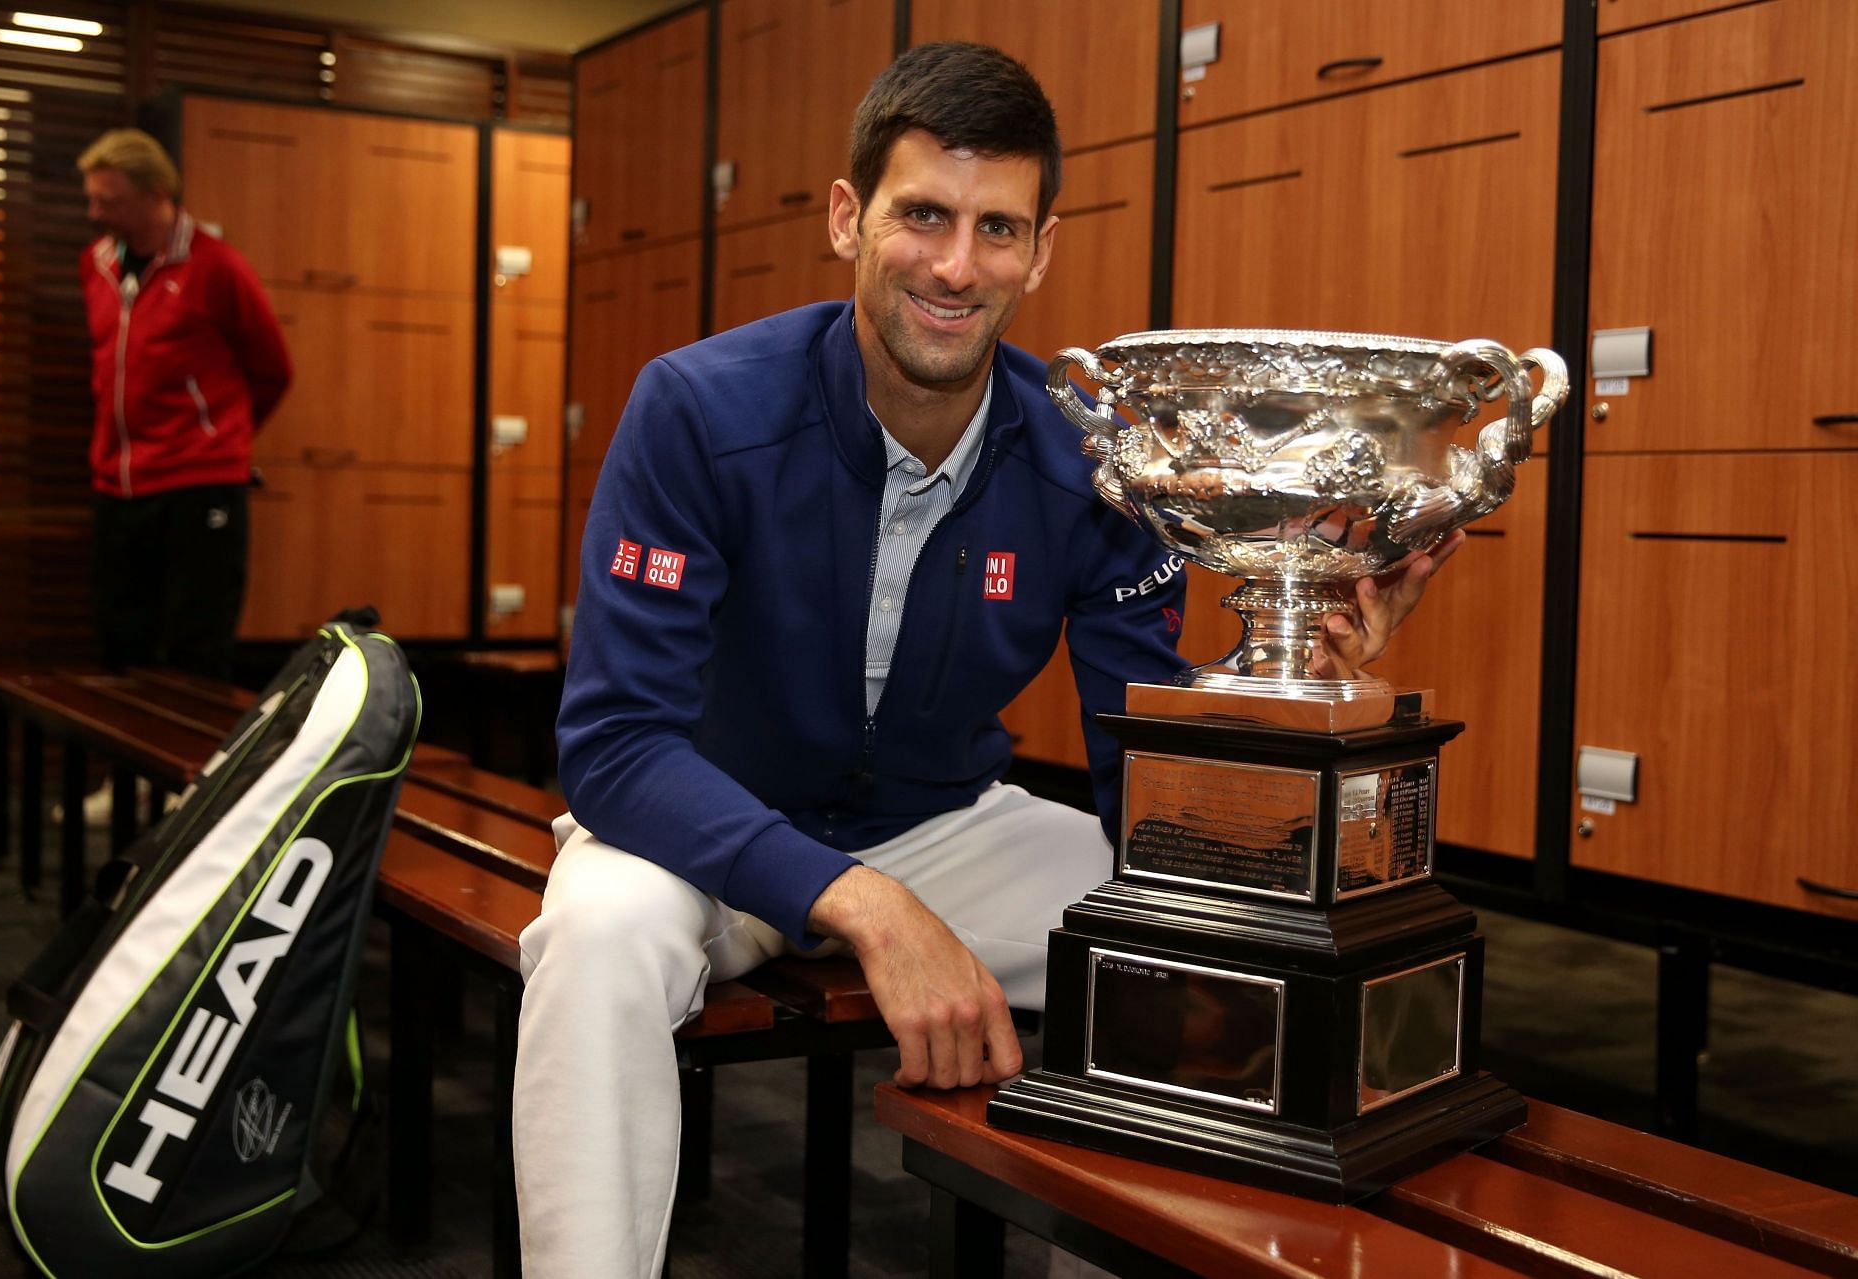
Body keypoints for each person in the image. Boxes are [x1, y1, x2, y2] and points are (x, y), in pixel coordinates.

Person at [517, 43, 1457, 1277]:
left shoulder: (1092, 463)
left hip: (936, 822)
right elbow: (614, 745)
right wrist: (862, 903)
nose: (958, 268)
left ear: (1042, 248)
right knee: (598, 934)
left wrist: (1306, 694)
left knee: (1185, 945)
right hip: (707, 829)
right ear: (850, 218)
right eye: (924, 216)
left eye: (998, 228)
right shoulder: (697, 409)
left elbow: (1148, 768)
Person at [78, 128, 291, 680]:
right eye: (92, 198)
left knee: (194, 652)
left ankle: (188, 770)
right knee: (120, 643)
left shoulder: (217, 267)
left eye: (110, 200)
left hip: (197, 485)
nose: (96, 212)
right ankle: (126, 770)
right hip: (118, 484)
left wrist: (217, 436)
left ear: (155, 196)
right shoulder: (96, 265)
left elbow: (272, 369)